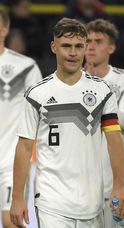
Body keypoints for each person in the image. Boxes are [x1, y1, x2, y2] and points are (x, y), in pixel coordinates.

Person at [10, 17, 124, 228]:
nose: (72, 53)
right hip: (50, 200)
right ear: (54, 47)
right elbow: (24, 147)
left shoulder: (102, 92)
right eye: (66, 46)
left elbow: (114, 140)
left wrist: (119, 186)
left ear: (85, 48)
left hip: (91, 202)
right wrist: (18, 198)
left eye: (78, 46)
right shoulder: (37, 94)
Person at [85, 18, 124, 227]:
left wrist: (96, 90)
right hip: (78, 186)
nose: (91, 46)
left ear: (112, 47)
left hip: (113, 185)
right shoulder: (70, 82)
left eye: (99, 41)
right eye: (87, 41)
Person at [0, 9, 42, 228]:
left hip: (10, 161)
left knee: (11, 221)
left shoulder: (25, 68)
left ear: (5, 29)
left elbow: (41, 111)